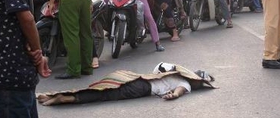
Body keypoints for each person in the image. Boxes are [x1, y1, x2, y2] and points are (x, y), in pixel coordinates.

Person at [37, 62, 216, 106]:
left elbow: (158, 70)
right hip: (143, 88)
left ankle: (55, 95)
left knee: (101, 86)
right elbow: (180, 90)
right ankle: (66, 98)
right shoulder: (186, 83)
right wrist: (174, 95)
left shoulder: (170, 68)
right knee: (104, 94)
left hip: (137, 78)